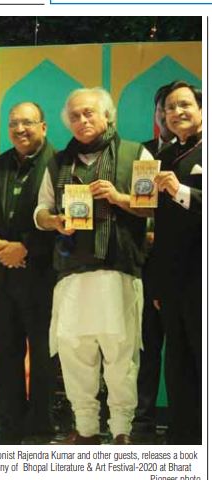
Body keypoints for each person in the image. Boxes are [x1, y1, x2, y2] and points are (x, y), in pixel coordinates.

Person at [35, 87, 152, 445]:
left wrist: (118, 197)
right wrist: (55, 222)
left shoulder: (136, 153)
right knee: (74, 352)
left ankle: (121, 430)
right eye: (75, 116)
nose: (82, 120)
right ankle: (85, 429)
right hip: (72, 273)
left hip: (119, 270)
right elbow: (40, 212)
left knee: (120, 354)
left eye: (89, 113)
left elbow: (151, 206)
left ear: (107, 115)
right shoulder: (58, 162)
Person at [0, 102, 56, 444]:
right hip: (1, 276)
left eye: (27, 123)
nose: (20, 129)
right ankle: (9, 427)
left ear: (43, 127)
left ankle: (39, 428)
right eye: (13, 124)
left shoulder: (58, 163)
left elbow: (61, 218)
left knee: (43, 356)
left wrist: (25, 247)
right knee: (4, 354)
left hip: (42, 275)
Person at [150, 81, 202, 444]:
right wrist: (156, 283)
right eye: (170, 107)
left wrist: (180, 190)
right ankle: (182, 438)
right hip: (172, 280)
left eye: (185, 105)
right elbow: (160, 230)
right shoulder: (163, 158)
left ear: (201, 109)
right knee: (178, 360)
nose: (177, 112)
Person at [131, 84, 173, 441]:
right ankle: (141, 424)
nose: (168, 114)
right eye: (163, 109)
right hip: (144, 265)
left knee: (186, 352)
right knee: (145, 347)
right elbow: (138, 204)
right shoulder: (142, 154)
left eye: (177, 106)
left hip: (186, 268)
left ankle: (187, 424)